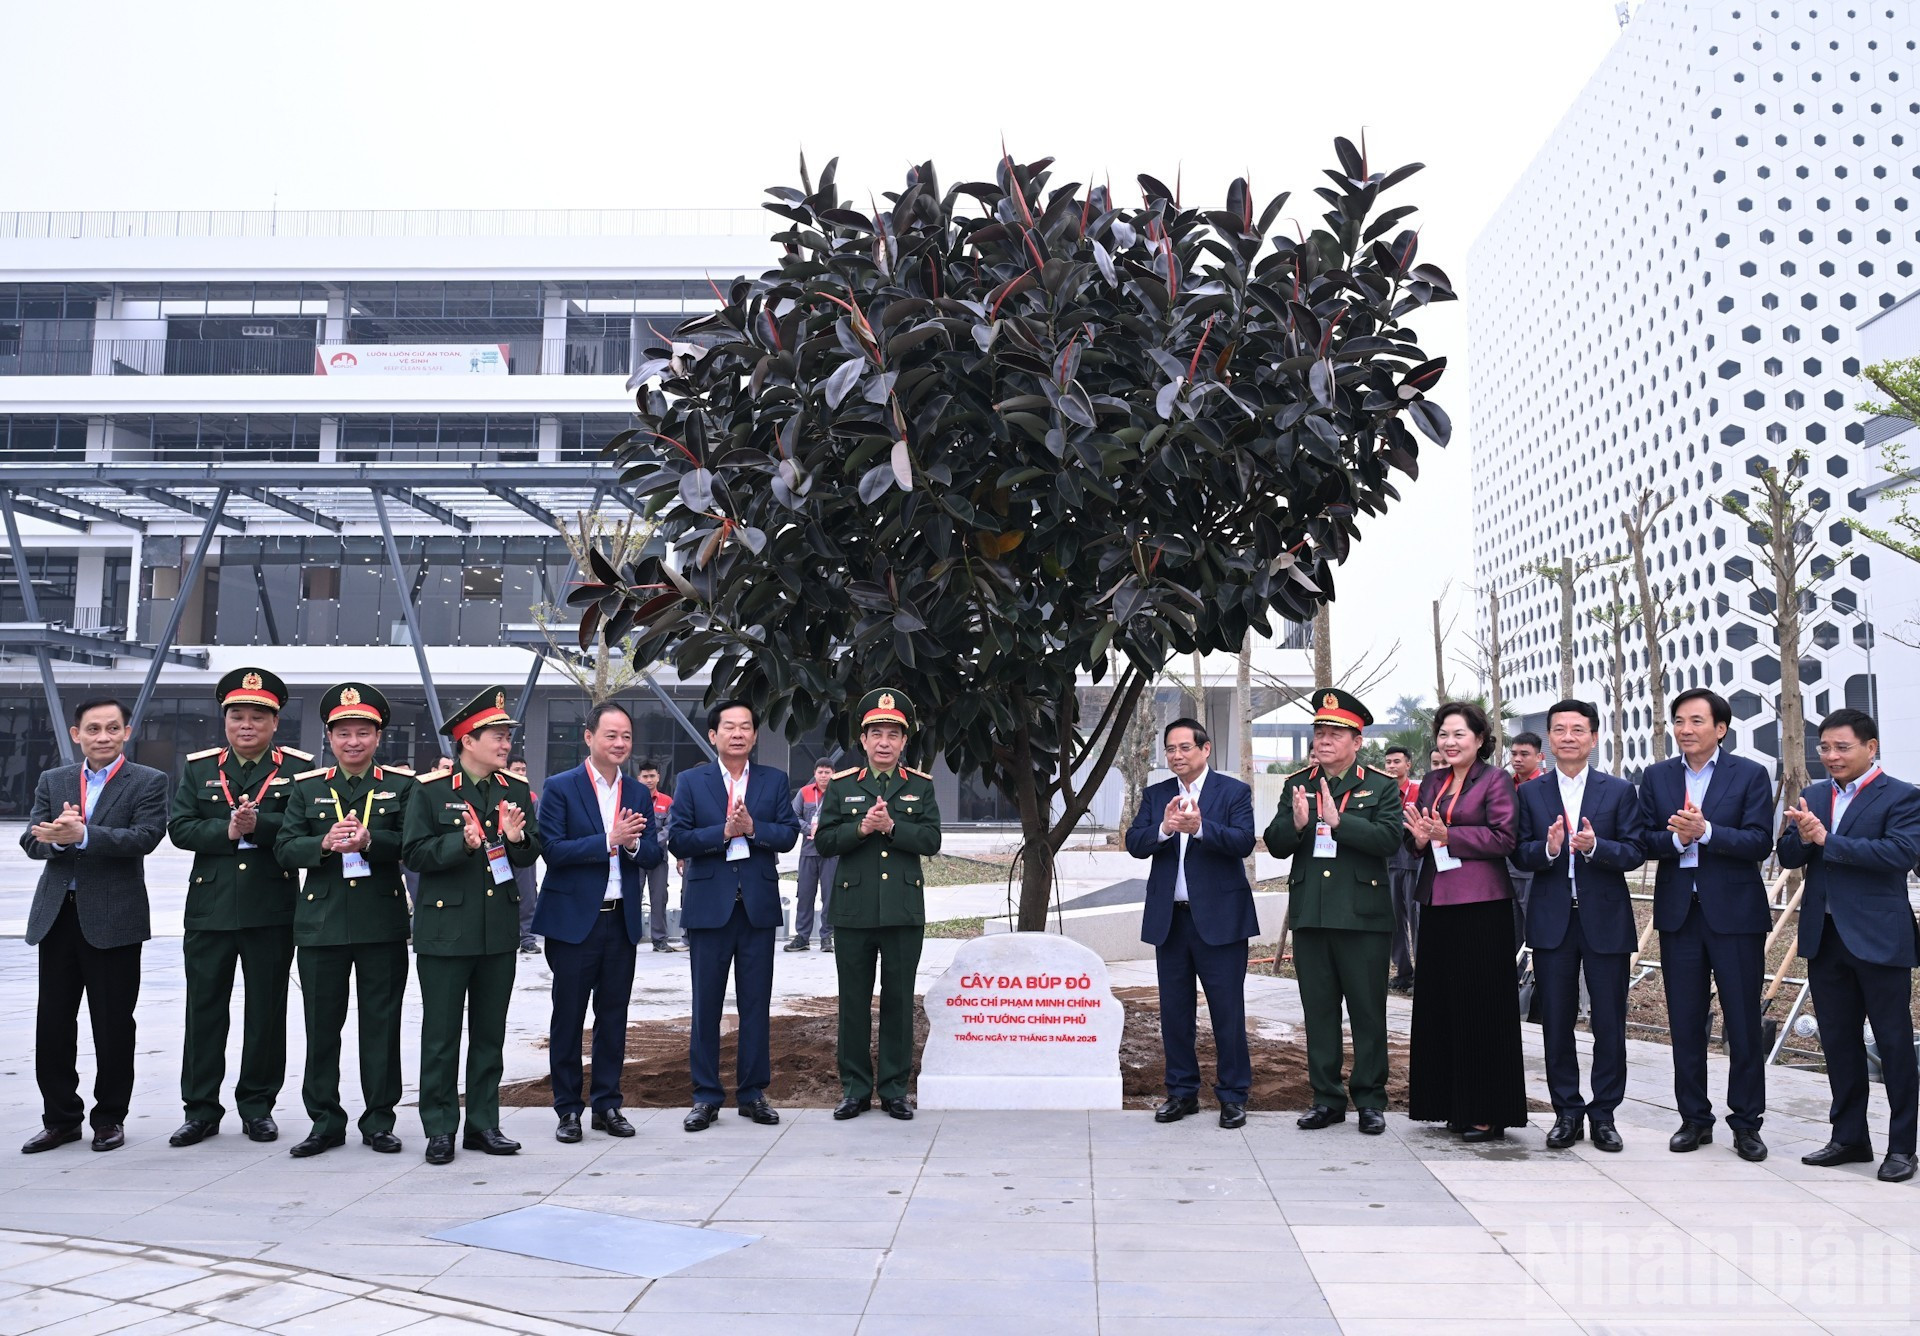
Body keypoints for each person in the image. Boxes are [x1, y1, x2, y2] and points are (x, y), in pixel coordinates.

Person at [167, 668, 311, 1147]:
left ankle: (257, 1105)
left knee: (266, 1011)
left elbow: (304, 828)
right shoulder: (200, 767)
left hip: (271, 906)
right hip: (210, 907)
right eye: (237, 717)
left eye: (257, 717)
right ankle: (200, 1107)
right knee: (203, 1009)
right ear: (225, 720)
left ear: (275, 723)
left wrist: (258, 827)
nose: (246, 725)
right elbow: (181, 828)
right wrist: (228, 831)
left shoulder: (297, 769)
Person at [19, 698, 169, 1154]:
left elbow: (145, 837)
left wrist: (83, 834)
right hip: (57, 916)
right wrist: (55, 840)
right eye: (92, 729)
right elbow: (31, 838)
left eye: (111, 728)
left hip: (114, 920)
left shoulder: (148, 781)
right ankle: (61, 1119)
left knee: (112, 1024)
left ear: (127, 731)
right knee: (53, 1025)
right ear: (76, 733)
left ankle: (109, 1119)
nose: (102, 736)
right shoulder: (55, 779)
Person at [1778, 708, 1920, 1184]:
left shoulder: (1902, 796)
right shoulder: (1814, 794)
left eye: (1842, 748)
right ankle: (1849, 1137)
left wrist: (1827, 839)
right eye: (1825, 748)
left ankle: (1902, 1148)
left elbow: (1901, 854)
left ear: (1871, 747)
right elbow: (1789, 855)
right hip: (1826, 937)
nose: (1831, 757)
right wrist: (1802, 836)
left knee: (1894, 1044)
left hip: (1880, 939)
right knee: (1837, 1043)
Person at [273, 683, 415, 1158]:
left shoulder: (401, 785)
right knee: (321, 1027)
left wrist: (373, 841)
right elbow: (284, 847)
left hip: (382, 923)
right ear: (329, 737)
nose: (353, 742)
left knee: (381, 1025)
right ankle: (324, 1121)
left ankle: (379, 1120)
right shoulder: (308, 787)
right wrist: (323, 845)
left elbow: (412, 846)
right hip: (322, 924)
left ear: (378, 736)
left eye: (363, 733)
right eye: (343, 733)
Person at [402, 688, 543, 1164]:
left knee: (489, 1034)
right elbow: (415, 854)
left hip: (497, 931)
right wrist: (459, 845)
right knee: (441, 1036)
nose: (505, 744)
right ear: (467, 739)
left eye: (507, 737)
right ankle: (440, 1126)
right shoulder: (430, 790)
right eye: (496, 736)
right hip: (445, 931)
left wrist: (517, 838)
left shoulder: (517, 791)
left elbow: (529, 855)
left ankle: (484, 1123)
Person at [1639, 687, 1775, 1162]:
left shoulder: (1751, 774)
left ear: (1720, 728)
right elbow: (1644, 840)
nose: (1685, 730)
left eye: (1696, 721)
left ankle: (1746, 1123)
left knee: (1742, 1022)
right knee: (1685, 1021)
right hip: (1680, 915)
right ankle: (1694, 1119)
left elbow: (1760, 842)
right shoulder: (1656, 777)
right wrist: (1676, 841)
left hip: (1735, 916)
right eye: (1678, 721)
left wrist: (1707, 833)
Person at [1512, 699, 1647, 1153]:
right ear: (1549, 739)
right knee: (1556, 1021)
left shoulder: (1619, 791)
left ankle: (1604, 1114)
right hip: (1552, 920)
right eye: (1559, 729)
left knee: (1609, 1020)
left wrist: (1595, 847)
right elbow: (1519, 852)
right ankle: (1566, 1111)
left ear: (1593, 738)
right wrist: (1548, 850)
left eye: (1578, 729)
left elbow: (1634, 852)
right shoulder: (1531, 792)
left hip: (1605, 918)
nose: (1568, 737)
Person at [1266, 691, 1402, 1135]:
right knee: (1319, 1012)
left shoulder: (1381, 786)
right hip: (1313, 916)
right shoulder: (1296, 784)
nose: (1323, 741)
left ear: (1357, 741)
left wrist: (1341, 823)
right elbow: (1277, 842)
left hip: (1362, 917)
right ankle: (1326, 1098)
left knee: (1367, 1012)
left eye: (1334, 734)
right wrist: (1300, 823)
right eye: (1319, 733)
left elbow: (1389, 840)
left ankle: (1369, 1099)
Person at [532, 703, 663, 1144]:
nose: (620, 743)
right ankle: (568, 1109)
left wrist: (629, 847)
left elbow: (651, 854)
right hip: (573, 924)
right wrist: (608, 840)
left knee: (613, 1017)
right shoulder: (560, 787)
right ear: (589, 737)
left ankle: (608, 1104)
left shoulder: (638, 793)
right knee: (568, 1017)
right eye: (611, 735)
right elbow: (552, 849)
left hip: (619, 921)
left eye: (626, 735)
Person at [667, 700, 799, 1132]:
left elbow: (788, 835)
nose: (738, 733)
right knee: (705, 1006)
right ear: (713, 735)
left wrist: (753, 829)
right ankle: (705, 1096)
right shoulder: (691, 781)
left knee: (756, 1005)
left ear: (755, 735)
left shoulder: (773, 781)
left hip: (757, 908)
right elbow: (678, 840)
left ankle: (752, 1093)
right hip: (709, 909)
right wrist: (723, 832)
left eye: (746, 726)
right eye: (729, 726)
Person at [1404, 700, 1528, 1141]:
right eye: (1443, 734)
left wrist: (1448, 835)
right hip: (1437, 901)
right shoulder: (1433, 779)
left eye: (1459, 734)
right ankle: (1447, 1103)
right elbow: (1418, 836)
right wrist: (1418, 839)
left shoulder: (1495, 780)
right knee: (1441, 1004)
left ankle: (1486, 1110)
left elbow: (1504, 837)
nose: (1449, 742)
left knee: (1481, 1006)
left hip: (1482, 904)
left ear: (1480, 740)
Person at [1126, 716, 1258, 1128]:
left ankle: (1233, 1095)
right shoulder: (1156, 795)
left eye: (1185, 747)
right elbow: (1134, 842)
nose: (1176, 755)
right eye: (1170, 749)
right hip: (1171, 921)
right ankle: (1181, 1093)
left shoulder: (1233, 791)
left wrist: (1202, 828)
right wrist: (1164, 828)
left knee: (1227, 1011)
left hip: (1221, 921)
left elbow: (1243, 842)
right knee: (1175, 1013)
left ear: (1205, 750)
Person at [817, 690, 943, 1121]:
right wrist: (861, 827)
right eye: (876, 734)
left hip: (903, 912)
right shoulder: (841, 785)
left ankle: (893, 1090)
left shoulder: (920, 787)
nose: (884, 742)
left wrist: (892, 827)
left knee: (898, 1002)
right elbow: (824, 841)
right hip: (853, 911)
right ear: (863, 739)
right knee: (852, 1003)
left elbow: (931, 840)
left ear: (904, 741)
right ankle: (854, 1089)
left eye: (893, 734)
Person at [786, 760, 840, 954]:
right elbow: (793, 816)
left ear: (834, 773)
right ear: (815, 773)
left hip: (831, 853)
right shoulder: (805, 792)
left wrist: (827, 832)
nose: (824, 776)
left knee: (829, 896)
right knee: (805, 895)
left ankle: (827, 937)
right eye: (820, 772)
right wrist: (809, 829)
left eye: (827, 772)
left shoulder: (839, 792)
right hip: (808, 851)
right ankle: (802, 937)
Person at [1382, 745, 1421, 994]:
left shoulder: (1420, 790)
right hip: (1389, 862)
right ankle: (1403, 971)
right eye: (1388, 762)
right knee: (1394, 920)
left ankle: (1422, 973)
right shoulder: (1381, 792)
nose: (1392, 766)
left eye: (1397, 761)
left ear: (1408, 764)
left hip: (1415, 862)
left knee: (1418, 921)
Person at [1507, 730, 1546, 948]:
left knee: (1533, 926)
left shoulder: (1545, 786)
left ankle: (1536, 978)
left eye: (1524, 754)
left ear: (1539, 757)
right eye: (1514, 754)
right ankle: (1517, 979)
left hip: (1532, 866)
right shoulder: (1504, 784)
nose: (1517, 759)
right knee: (1511, 930)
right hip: (1505, 864)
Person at [637, 760, 681, 951]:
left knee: (659, 897)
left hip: (658, 857)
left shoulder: (667, 801)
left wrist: (651, 843)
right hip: (634, 856)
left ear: (658, 777)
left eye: (652, 776)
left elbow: (670, 827)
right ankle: (631, 936)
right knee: (632, 896)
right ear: (639, 778)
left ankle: (659, 940)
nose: (649, 780)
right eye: (645, 776)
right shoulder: (630, 798)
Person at [510, 758, 541, 953]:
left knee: (527, 895)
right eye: (516, 769)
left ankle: (527, 938)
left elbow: (536, 826)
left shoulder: (531, 797)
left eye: (523, 769)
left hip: (524, 851)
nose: (521, 773)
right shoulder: (498, 792)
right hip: (497, 854)